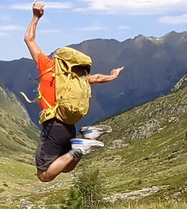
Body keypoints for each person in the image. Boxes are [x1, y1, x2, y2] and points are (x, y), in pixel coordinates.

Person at [24, 0, 124, 182]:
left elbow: (28, 39)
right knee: (66, 166)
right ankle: (85, 139)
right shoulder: (78, 77)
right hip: (69, 126)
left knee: (44, 175)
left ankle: (82, 145)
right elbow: (98, 78)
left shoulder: (48, 67)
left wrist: (35, 17)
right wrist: (113, 76)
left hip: (54, 125)